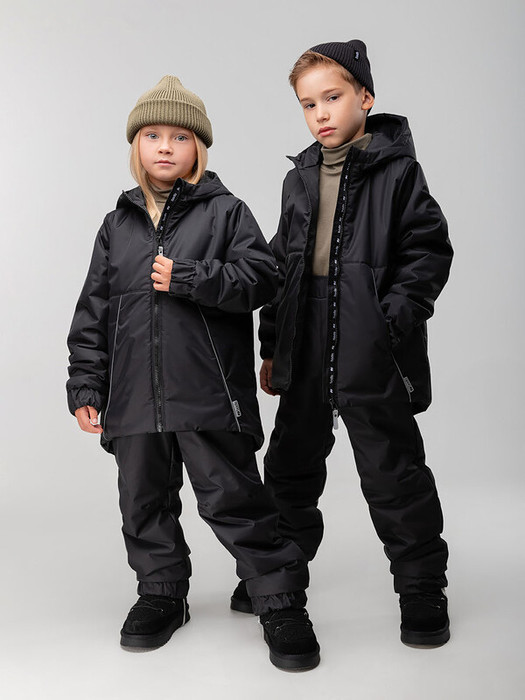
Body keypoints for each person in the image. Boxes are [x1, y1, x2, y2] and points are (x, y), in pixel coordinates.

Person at [66, 75, 320, 671]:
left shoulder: (226, 212)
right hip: (133, 399)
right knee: (143, 503)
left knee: (235, 501)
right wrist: (86, 384)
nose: (164, 147)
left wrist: (189, 277)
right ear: (136, 145)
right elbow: (94, 312)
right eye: (152, 135)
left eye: (179, 137)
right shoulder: (116, 225)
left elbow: (262, 278)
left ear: (198, 147)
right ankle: (161, 593)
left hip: (209, 393)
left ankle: (279, 600)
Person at [230, 41, 453, 648]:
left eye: (332, 97)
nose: (321, 113)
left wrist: (389, 322)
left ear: (365, 98)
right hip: (305, 344)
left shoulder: (397, 173)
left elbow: (428, 252)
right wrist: (272, 345)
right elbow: (280, 268)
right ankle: (277, 575)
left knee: (393, 471)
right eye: (309, 104)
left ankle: (421, 588)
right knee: (290, 469)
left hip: (369, 347)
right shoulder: (298, 179)